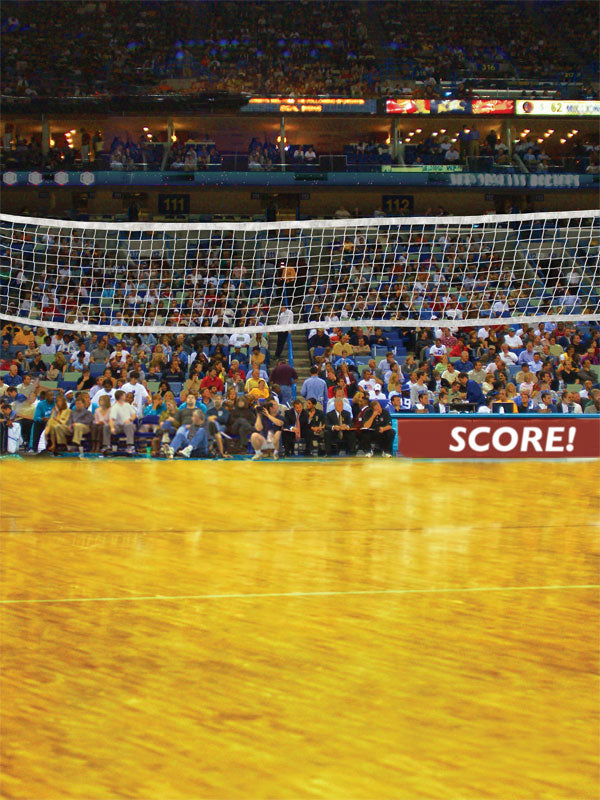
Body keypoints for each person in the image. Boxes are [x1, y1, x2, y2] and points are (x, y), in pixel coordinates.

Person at [103, 389, 137, 455]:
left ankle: (130, 446)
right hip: (118, 426)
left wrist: (130, 420)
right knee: (106, 426)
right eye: (125, 395)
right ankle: (106, 446)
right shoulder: (114, 407)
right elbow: (111, 419)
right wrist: (112, 428)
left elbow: (134, 415)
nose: (126, 397)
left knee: (128, 425)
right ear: (121, 397)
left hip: (128, 426)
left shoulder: (127, 405)